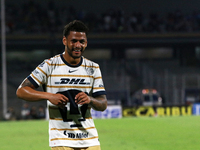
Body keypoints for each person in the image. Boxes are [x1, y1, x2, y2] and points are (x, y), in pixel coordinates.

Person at [16, 20, 107, 150]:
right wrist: (49, 96)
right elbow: (21, 91)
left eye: (81, 42)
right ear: (64, 41)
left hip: (90, 140)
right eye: (73, 41)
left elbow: (103, 104)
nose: (77, 45)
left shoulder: (93, 68)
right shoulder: (49, 65)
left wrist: (90, 99)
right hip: (61, 140)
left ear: (86, 43)